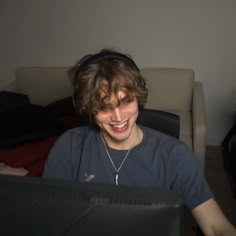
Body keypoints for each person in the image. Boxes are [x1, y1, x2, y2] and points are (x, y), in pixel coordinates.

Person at [43, 49, 236, 236]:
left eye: (126, 101)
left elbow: (215, 227)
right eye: (104, 107)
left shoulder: (176, 157)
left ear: (138, 97)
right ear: (88, 109)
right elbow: (48, 217)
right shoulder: (69, 147)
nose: (118, 117)